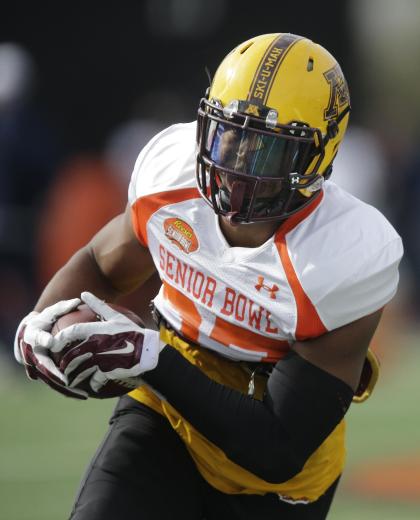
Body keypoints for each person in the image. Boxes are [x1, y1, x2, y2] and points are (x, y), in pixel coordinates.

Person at [14, 33, 403, 520]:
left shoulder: (343, 255)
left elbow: (277, 446)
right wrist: (42, 323)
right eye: (230, 133)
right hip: (164, 421)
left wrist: (149, 359)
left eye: (266, 148)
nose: (238, 159)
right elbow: (99, 263)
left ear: (317, 155)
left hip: (272, 485)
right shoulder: (172, 175)